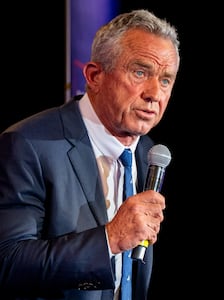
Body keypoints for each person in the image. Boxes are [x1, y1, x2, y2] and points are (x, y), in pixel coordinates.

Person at [0, 8, 180, 300]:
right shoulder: (29, 144)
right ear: (95, 76)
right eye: (140, 72)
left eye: (165, 80)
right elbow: (7, 262)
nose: (154, 94)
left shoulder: (149, 153)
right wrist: (110, 239)